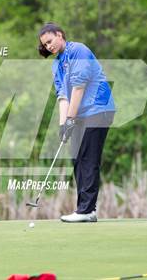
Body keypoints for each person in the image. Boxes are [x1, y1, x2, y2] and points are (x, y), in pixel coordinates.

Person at [38, 22, 115, 222]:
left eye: (50, 41)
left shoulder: (79, 51)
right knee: (77, 158)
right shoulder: (57, 64)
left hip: (98, 109)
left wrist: (71, 119)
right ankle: (87, 209)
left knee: (88, 158)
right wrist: (63, 125)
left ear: (60, 35)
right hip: (80, 114)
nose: (49, 46)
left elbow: (78, 89)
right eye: (45, 45)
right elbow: (63, 97)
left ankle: (86, 211)